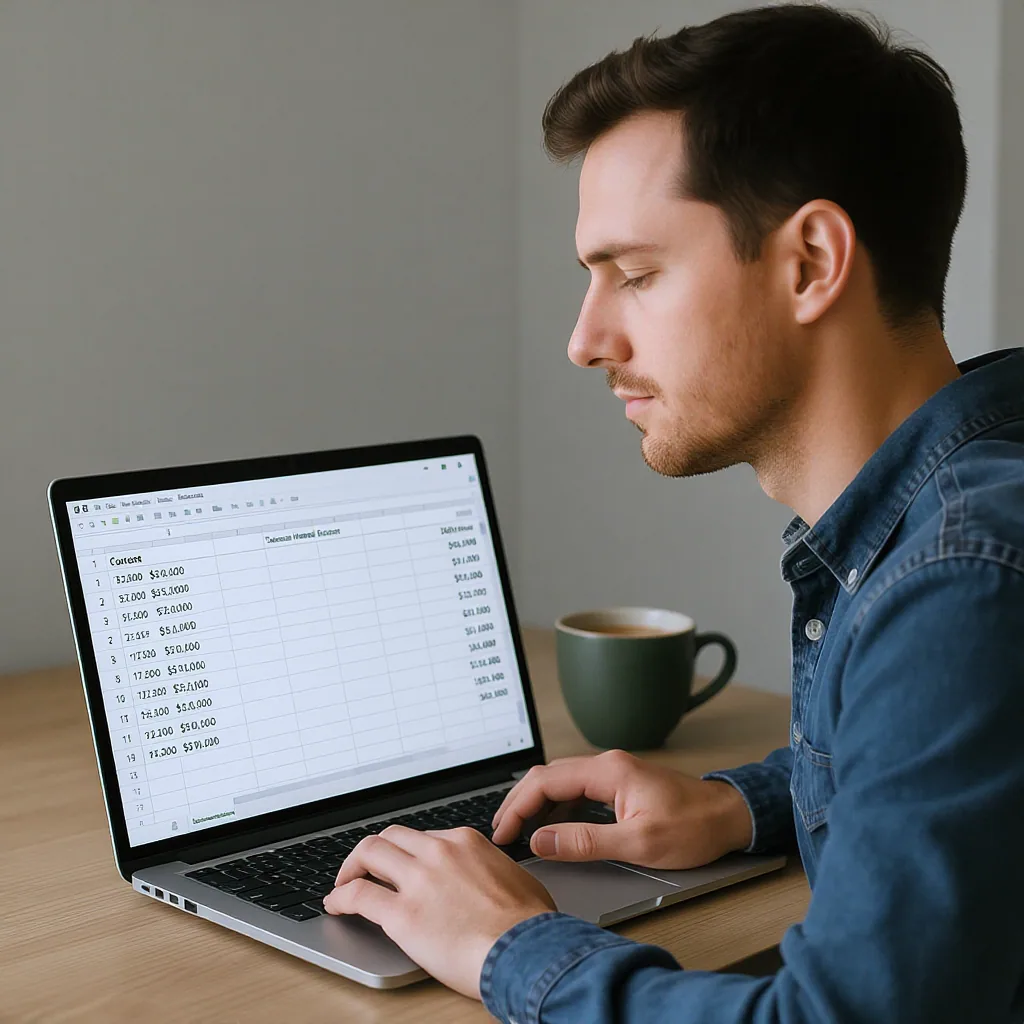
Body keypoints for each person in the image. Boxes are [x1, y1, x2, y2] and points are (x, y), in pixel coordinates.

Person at [323, 5, 1024, 1021]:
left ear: (811, 263)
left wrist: (505, 945)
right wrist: (739, 804)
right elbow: (945, 765)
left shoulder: (959, 580)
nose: (583, 338)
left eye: (637, 274)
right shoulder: (971, 500)